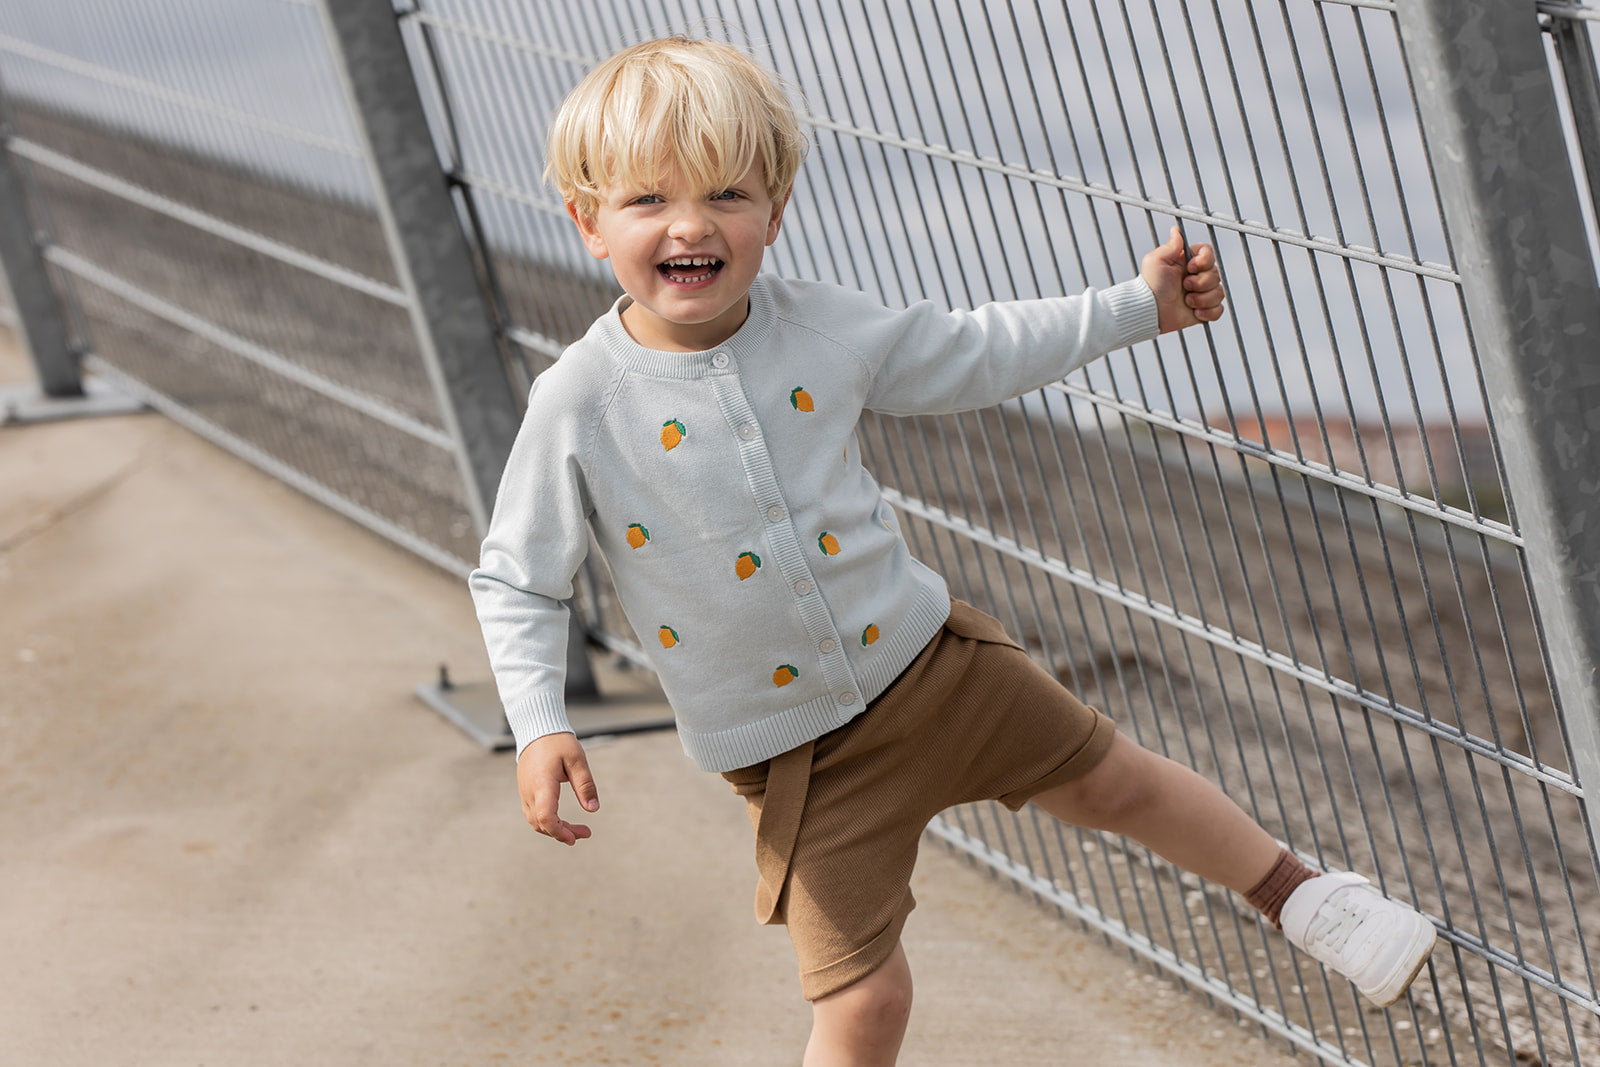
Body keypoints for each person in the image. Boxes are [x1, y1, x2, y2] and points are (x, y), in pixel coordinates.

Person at [469, 34, 1437, 1065]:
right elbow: (517, 573)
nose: (692, 224)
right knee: (864, 996)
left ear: (777, 209)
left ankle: (1303, 897)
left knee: (1121, 784)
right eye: (647, 201)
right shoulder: (579, 399)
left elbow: (974, 349)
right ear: (586, 223)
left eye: (728, 194)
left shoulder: (821, 328)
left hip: (933, 666)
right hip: (800, 756)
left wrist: (1134, 307)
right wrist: (537, 722)